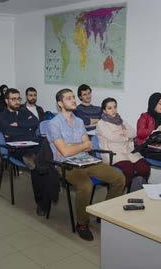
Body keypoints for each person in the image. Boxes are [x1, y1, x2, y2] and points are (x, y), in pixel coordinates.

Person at [47, 89, 125, 241]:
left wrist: (75, 146)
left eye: (73, 97)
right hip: (66, 165)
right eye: (68, 98)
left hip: (86, 160)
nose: (73, 100)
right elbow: (64, 152)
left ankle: (105, 213)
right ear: (60, 103)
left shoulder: (79, 121)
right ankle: (82, 223)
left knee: (119, 177)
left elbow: (88, 145)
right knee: (86, 185)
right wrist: (80, 145)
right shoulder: (53, 124)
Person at [0, 88, 48, 213]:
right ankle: (41, 202)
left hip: (33, 143)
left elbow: (35, 122)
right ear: (7, 101)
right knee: (36, 164)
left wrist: (18, 124)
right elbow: (8, 131)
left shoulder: (23, 110)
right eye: (13, 99)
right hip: (16, 148)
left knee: (47, 153)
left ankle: (47, 186)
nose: (17, 101)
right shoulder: (0, 116)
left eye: (19, 99)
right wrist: (26, 128)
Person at [96, 98, 150, 188]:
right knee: (129, 169)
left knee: (144, 167)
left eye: (115, 107)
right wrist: (125, 135)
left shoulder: (120, 120)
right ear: (104, 110)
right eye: (109, 108)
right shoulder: (101, 124)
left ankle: (136, 189)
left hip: (128, 152)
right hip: (113, 154)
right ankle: (123, 192)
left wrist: (122, 134)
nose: (113, 110)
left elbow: (133, 133)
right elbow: (112, 137)